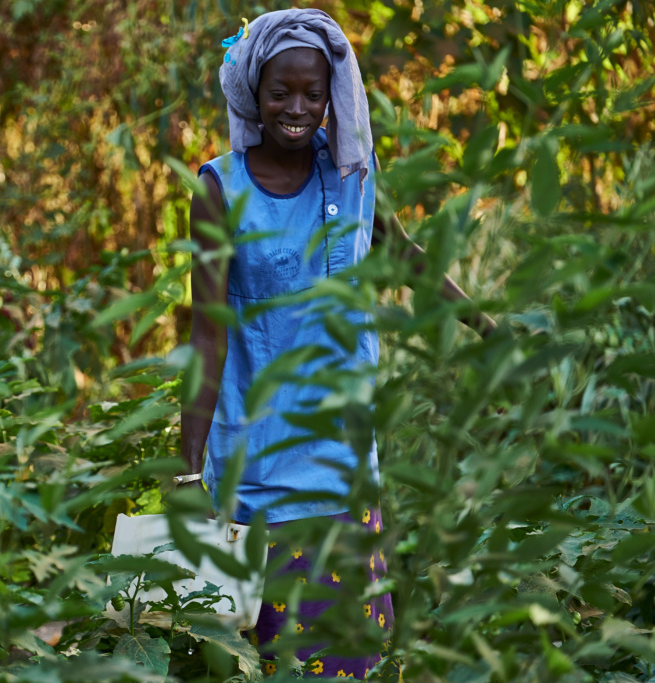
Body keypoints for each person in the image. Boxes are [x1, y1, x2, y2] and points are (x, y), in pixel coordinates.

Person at [179, 8, 495, 679]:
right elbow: (207, 334)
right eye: (280, 92)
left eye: (312, 94)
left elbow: (404, 254)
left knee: (351, 653)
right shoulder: (219, 190)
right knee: (265, 655)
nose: (297, 108)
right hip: (255, 470)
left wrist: (490, 332)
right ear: (252, 94)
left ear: (332, 97)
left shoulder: (351, 174)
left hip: (345, 463)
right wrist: (185, 470)